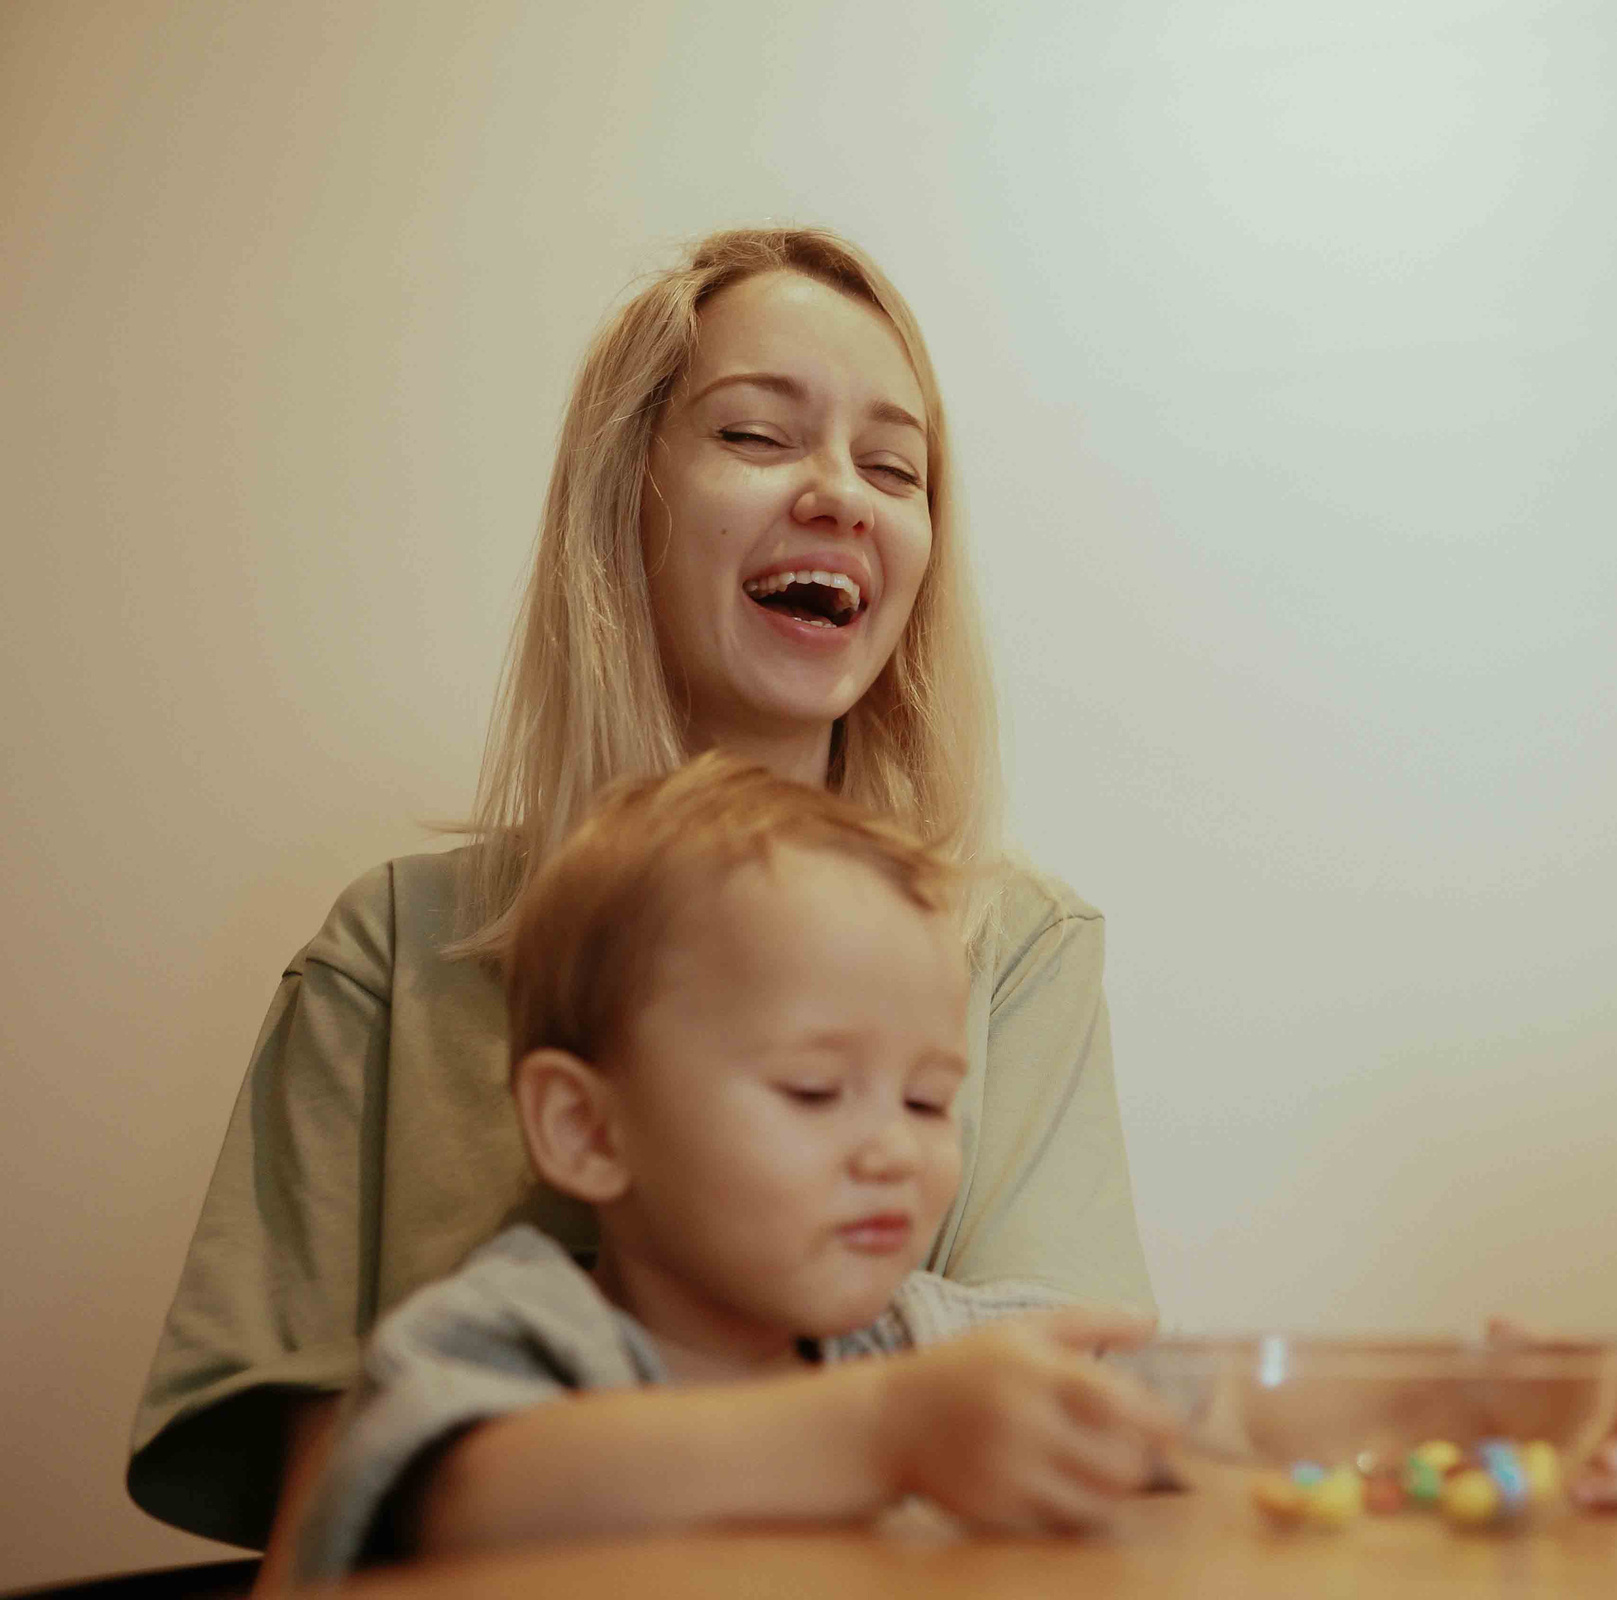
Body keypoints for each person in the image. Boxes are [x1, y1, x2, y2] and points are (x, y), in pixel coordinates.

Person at [132, 229, 1155, 1570]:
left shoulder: (1018, 951)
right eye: (756, 435)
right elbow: (344, 1522)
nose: (842, 496)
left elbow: (1107, 1405)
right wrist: (875, 1433)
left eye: (895, 467)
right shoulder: (392, 957)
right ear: (629, 498)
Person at [290, 754, 1177, 1582]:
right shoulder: (515, 1334)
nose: (896, 1151)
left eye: (927, 1102)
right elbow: (462, 1502)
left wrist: (1228, 1408)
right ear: (587, 1131)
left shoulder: (915, 1336)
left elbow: (1136, 1391)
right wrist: (884, 1430)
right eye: (814, 1091)